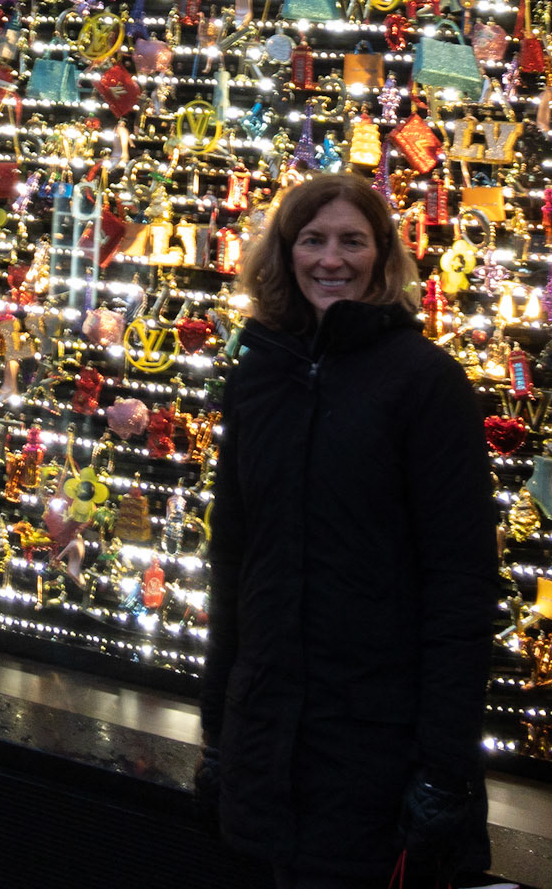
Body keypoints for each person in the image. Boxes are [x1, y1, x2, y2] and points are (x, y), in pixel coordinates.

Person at [196, 173, 501, 889]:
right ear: (284, 254)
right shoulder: (257, 378)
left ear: (383, 256)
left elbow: (461, 583)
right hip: (265, 736)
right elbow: (233, 560)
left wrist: (444, 768)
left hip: (376, 746)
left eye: (352, 241)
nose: (330, 259)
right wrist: (218, 729)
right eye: (313, 240)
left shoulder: (425, 383)